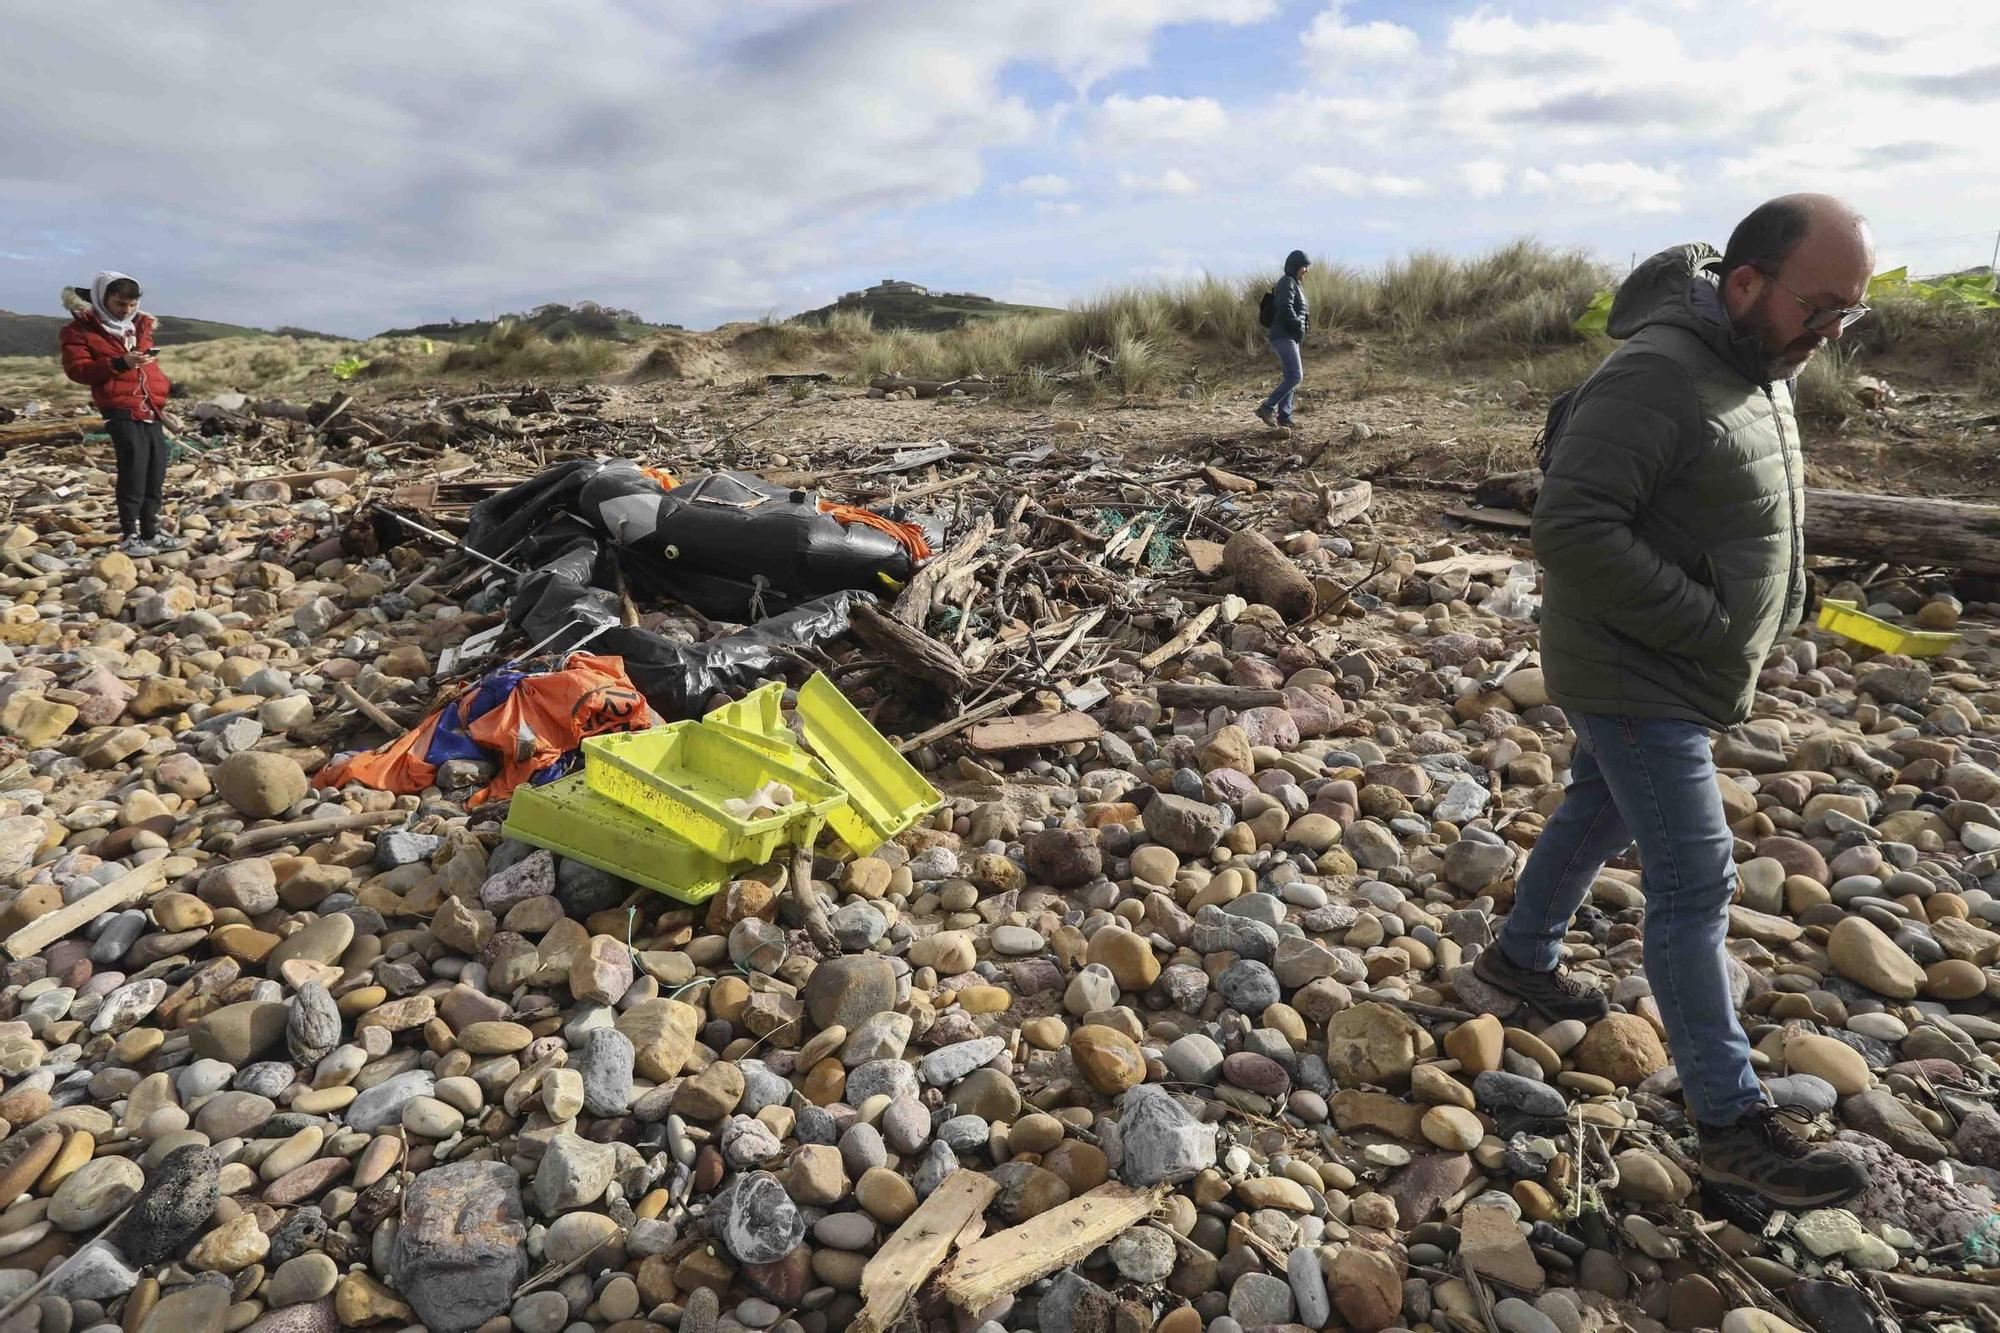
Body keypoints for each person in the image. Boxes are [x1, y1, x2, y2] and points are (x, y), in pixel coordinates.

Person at [1472, 194, 1875, 1208]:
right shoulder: (1653, 372)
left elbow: (1737, 497)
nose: (1828, 335)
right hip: (1633, 671)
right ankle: (1729, 1120)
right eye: (1817, 308)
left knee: (1597, 807)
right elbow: (1568, 527)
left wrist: (1783, 598)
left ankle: (1518, 959)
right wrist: (1709, 624)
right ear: (1743, 284)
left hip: (1664, 663)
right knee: (1693, 881)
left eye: (1847, 317)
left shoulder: (1755, 359)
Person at [59, 272, 182, 555]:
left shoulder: (139, 326)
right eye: (119, 303)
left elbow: (147, 369)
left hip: (149, 407)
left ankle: (151, 533)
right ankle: (129, 536)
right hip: (119, 408)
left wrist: (161, 397)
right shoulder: (80, 331)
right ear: (103, 298)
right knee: (133, 470)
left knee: (155, 471)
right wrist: (119, 363)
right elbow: (78, 371)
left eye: (131, 304)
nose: (126, 310)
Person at [1255, 249, 1309, 427]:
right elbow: (1285, 307)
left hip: (1291, 336)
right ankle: (1267, 408)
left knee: (1290, 376)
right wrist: (1298, 325)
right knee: (1295, 375)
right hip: (1284, 335)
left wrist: (1301, 328)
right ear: (1295, 266)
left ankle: (1285, 417)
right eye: (1304, 267)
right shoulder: (1287, 282)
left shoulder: (1295, 283)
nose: (1306, 271)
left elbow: (1298, 310)